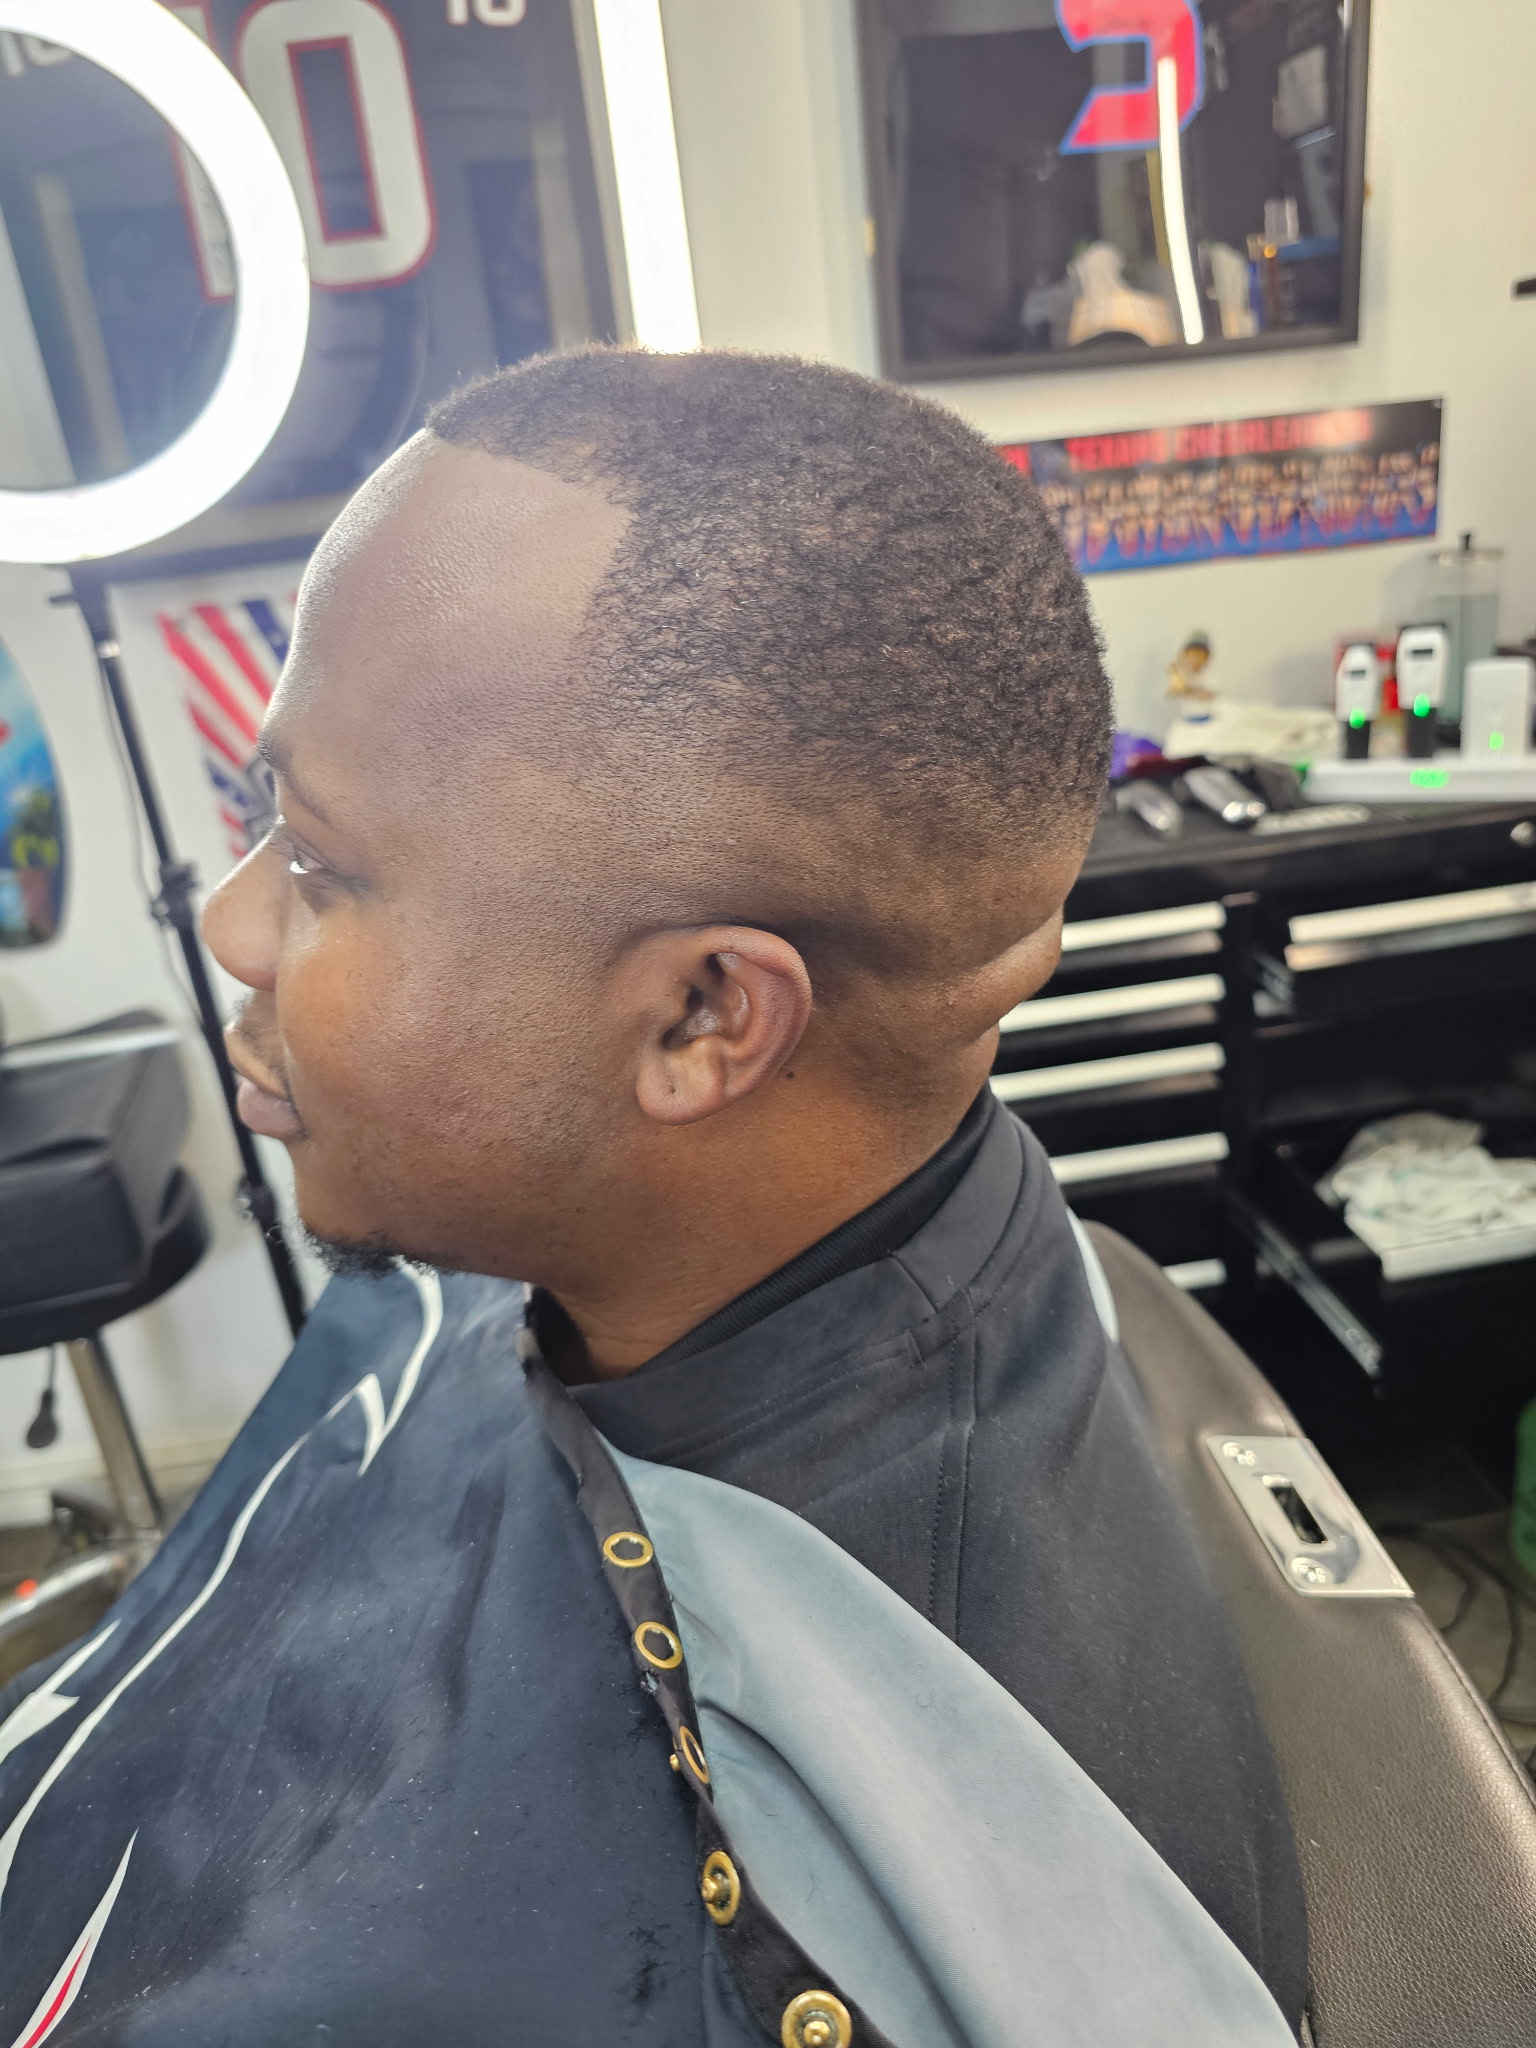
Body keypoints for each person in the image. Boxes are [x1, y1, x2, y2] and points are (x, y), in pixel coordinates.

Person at [0, 349, 1306, 2047]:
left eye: (321, 863)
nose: (233, 925)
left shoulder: (864, 1905)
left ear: (702, 1018)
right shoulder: (573, 1230)